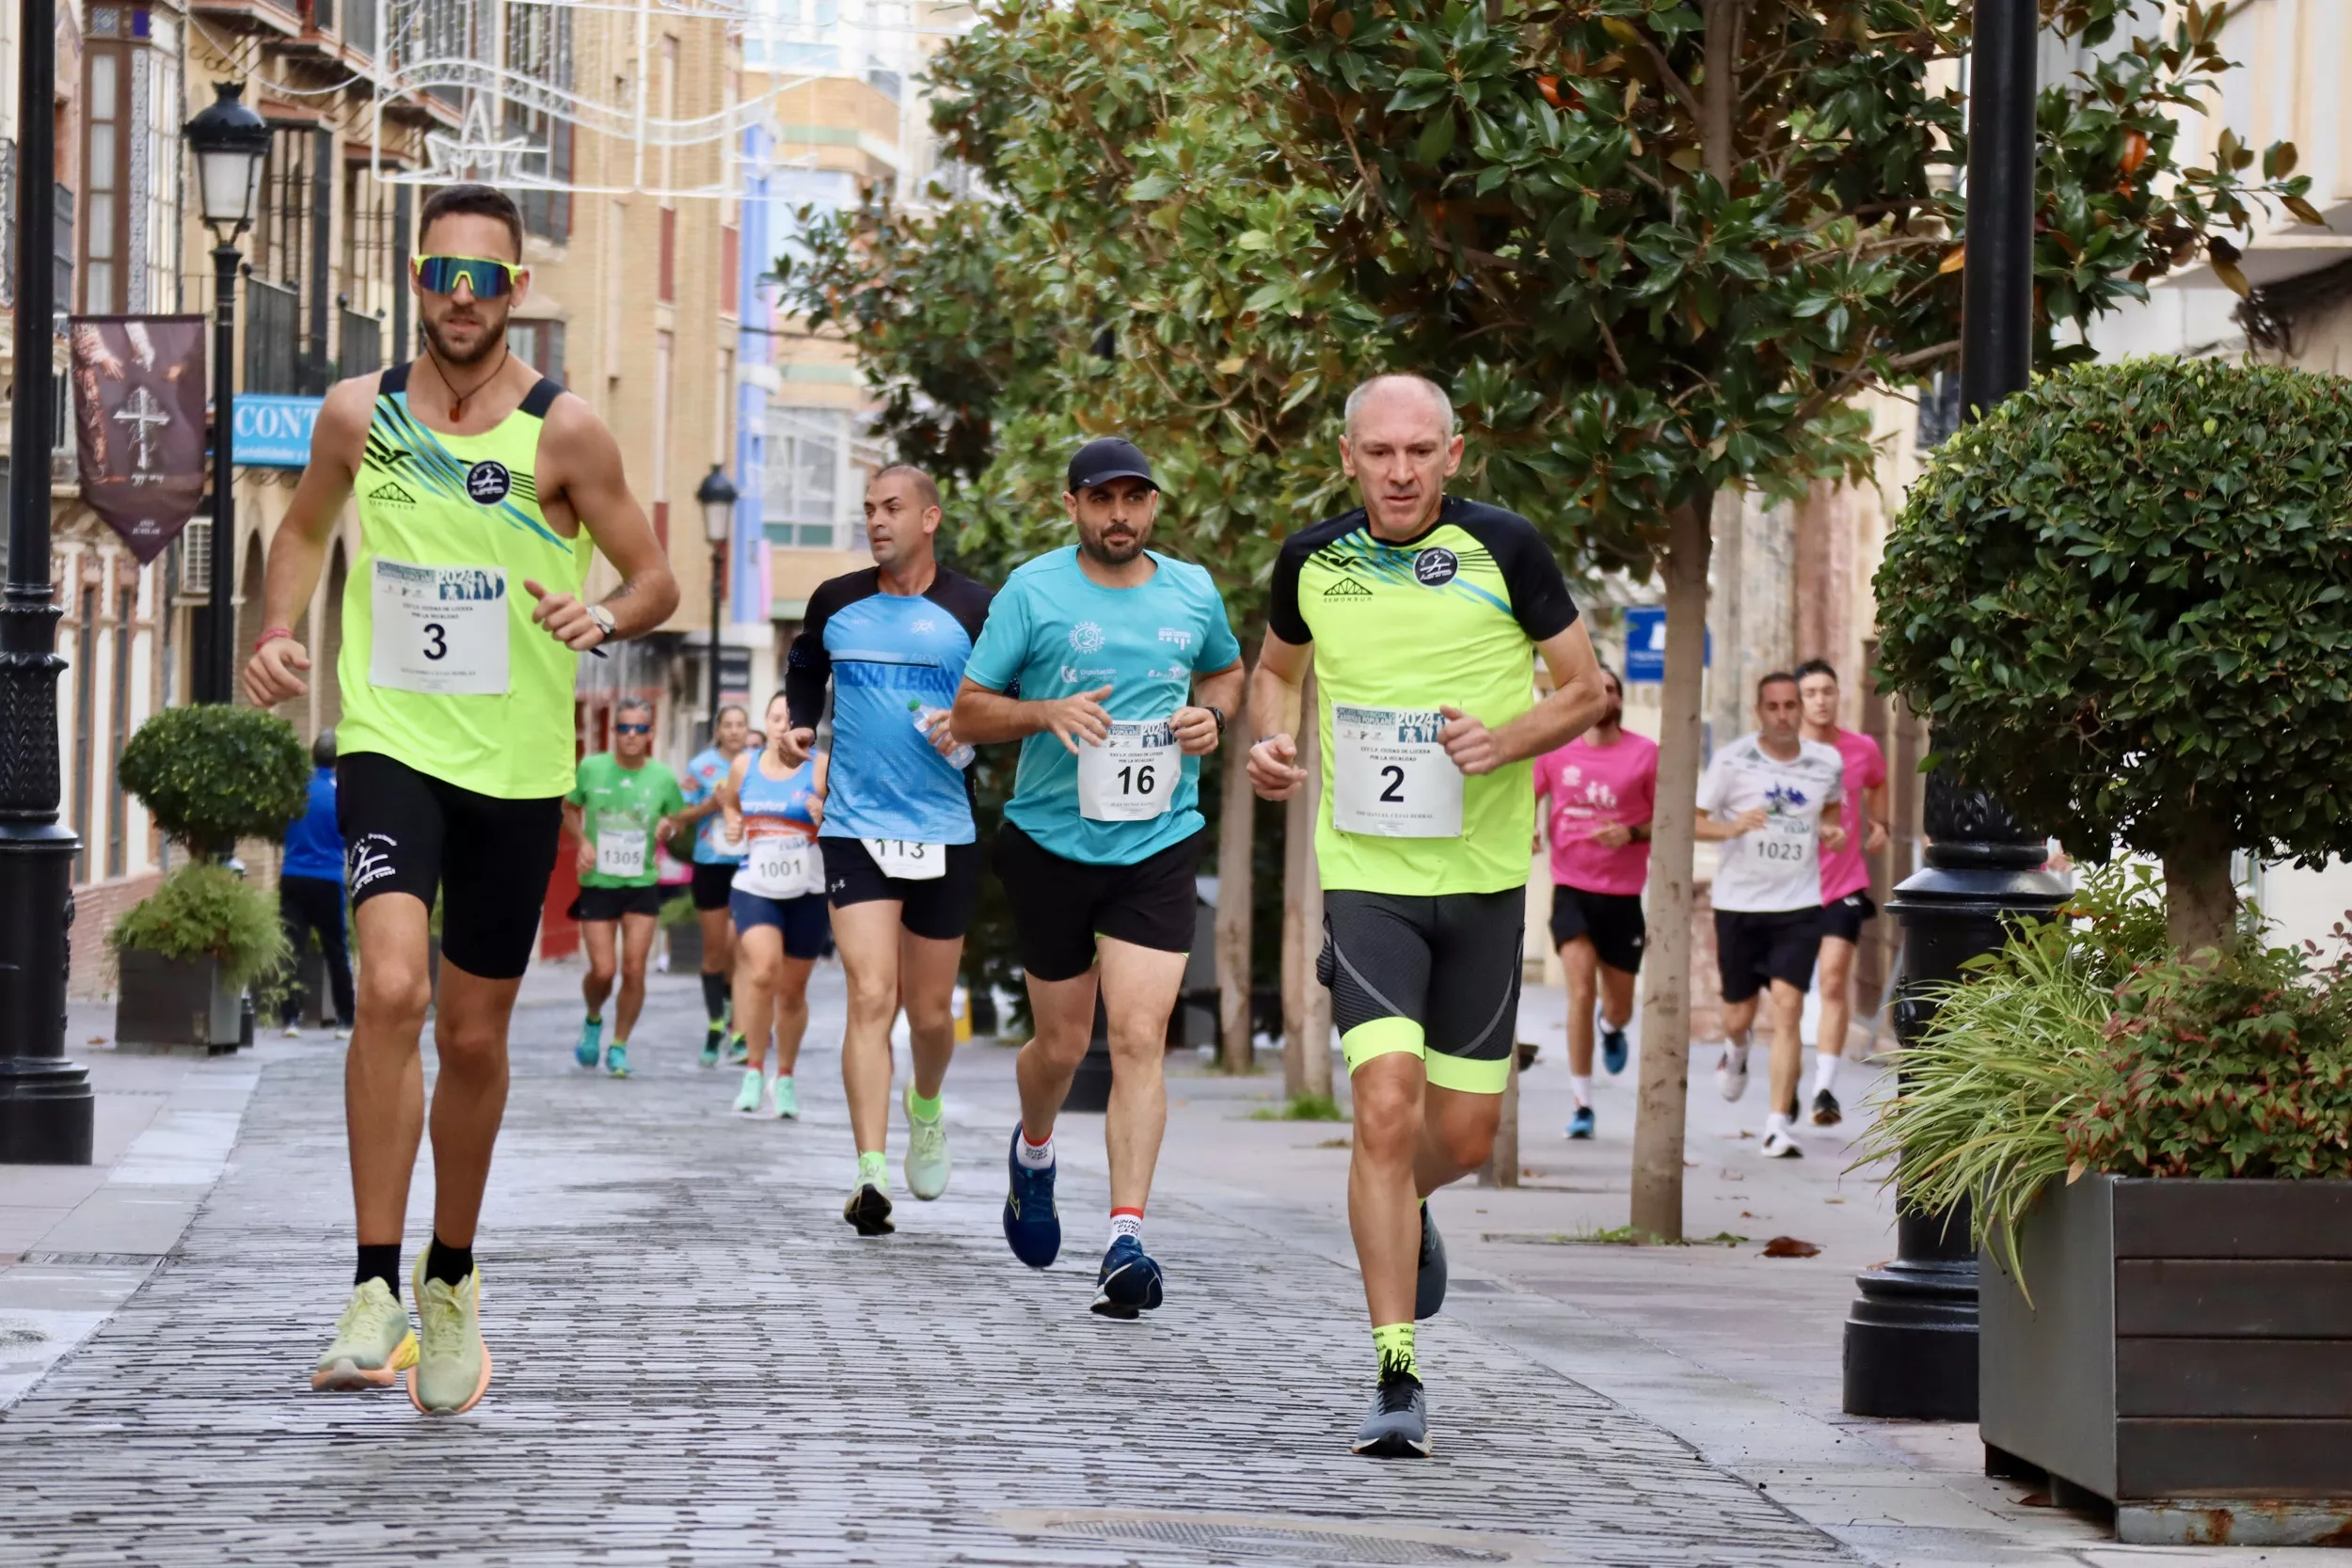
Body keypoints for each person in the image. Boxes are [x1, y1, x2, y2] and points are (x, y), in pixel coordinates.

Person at [243, 182, 676, 1414]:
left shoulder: (566, 434)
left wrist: (604, 610)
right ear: (416, 277)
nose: (462, 299)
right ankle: (375, 1280)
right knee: (389, 987)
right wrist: (278, 629)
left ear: (517, 291)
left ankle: (452, 1275)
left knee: (475, 1036)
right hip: (390, 743)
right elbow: (304, 533)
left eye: (486, 280)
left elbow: (656, 577)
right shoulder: (354, 413)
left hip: (519, 766)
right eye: (443, 275)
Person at [1247, 375, 1606, 1459]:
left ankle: (1399, 1204)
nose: (1399, 471)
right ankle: (1396, 1371)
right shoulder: (1313, 560)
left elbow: (1586, 688)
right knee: (1385, 1107)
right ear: (1347, 456)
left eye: (1419, 451)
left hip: (1487, 879)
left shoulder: (1509, 548)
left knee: (1458, 1134)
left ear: (1455, 454)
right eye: (1378, 452)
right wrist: (1271, 741)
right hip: (1364, 876)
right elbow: (1275, 671)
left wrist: (1510, 737)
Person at [952, 436, 1243, 1321]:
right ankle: (1034, 1151)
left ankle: (1125, 1238)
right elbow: (968, 709)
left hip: (1156, 840)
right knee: (1062, 1045)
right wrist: (1044, 710)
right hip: (1049, 843)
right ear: (1073, 506)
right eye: (1102, 499)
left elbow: (1227, 670)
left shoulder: (1192, 589)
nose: (1121, 515)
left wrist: (1211, 716)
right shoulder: (1033, 591)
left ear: (1154, 506)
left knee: (1142, 1035)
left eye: (1135, 499)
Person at [778, 465, 992, 1235]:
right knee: (872, 994)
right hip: (855, 825)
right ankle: (870, 1172)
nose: (876, 520)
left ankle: (924, 1106)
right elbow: (806, 666)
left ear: (930, 517)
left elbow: (998, 700)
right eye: (868, 508)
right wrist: (802, 721)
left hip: (943, 827)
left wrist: (969, 727)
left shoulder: (973, 606)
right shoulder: (836, 601)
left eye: (892, 508)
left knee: (930, 1014)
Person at [1695, 673, 1847, 1160]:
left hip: (1798, 904)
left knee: (1788, 1007)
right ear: (1759, 711)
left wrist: (1831, 832)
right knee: (1738, 1014)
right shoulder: (1732, 760)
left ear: (1800, 710)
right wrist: (1731, 826)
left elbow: (1831, 810)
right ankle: (1735, 1051)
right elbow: (1694, 820)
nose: (1783, 715)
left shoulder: (1825, 761)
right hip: (1739, 903)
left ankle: (1778, 1124)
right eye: (1773, 707)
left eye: (1790, 706)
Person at [1532, 667, 1655, 1139]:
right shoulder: (1557, 753)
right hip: (1572, 889)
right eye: (1595, 689)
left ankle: (1612, 1026)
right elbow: (1527, 793)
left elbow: (1668, 814)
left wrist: (1631, 833)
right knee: (1579, 991)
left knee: (1617, 1005)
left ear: (1620, 700)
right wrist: (1528, 825)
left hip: (1623, 896)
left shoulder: (1646, 755)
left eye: (1611, 690)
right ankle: (1582, 1103)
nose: (1603, 698)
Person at [718, 690, 831, 1118]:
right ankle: (752, 1069)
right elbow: (731, 803)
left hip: (808, 889)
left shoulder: (820, 766)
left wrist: (824, 814)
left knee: (792, 990)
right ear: (765, 723)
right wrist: (732, 823)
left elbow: (843, 820)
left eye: (791, 717)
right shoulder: (744, 765)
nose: (783, 724)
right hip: (755, 885)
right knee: (763, 971)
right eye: (776, 717)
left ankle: (784, 1076)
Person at [565, 696, 687, 1079]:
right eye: (623, 728)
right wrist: (582, 843)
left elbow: (677, 817)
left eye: (638, 728)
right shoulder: (591, 768)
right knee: (603, 970)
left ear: (650, 733)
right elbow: (568, 807)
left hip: (641, 883)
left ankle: (618, 1045)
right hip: (599, 883)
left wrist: (670, 827)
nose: (631, 736)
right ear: (614, 732)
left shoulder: (663, 777)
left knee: (634, 970)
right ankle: (594, 1018)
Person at [1795, 658, 1888, 1126]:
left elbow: (1877, 781)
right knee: (1784, 992)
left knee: (1832, 978)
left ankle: (1825, 1089)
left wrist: (1880, 822)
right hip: (1788, 890)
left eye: (1827, 691)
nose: (1820, 700)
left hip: (1844, 883)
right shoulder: (1782, 753)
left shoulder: (1862, 748)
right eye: (1810, 692)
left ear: (1838, 695)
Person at [676, 702, 753, 1066]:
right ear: (718, 730)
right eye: (729, 725)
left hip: (749, 865)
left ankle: (739, 1030)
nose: (735, 731)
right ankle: (715, 1023)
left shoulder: (760, 762)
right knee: (714, 952)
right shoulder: (700, 767)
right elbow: (679, 814)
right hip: (711, 864)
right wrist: (710, 804)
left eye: (741, 724)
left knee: (739, 947)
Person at [278, 727, 356, 1038]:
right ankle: (346, 1020)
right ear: (338, 761)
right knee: (336, 950)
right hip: (328, 880)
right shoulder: (341, 793)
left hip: (293, 876)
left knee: (291, 949)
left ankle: (290, 1019)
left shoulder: (297, 791)